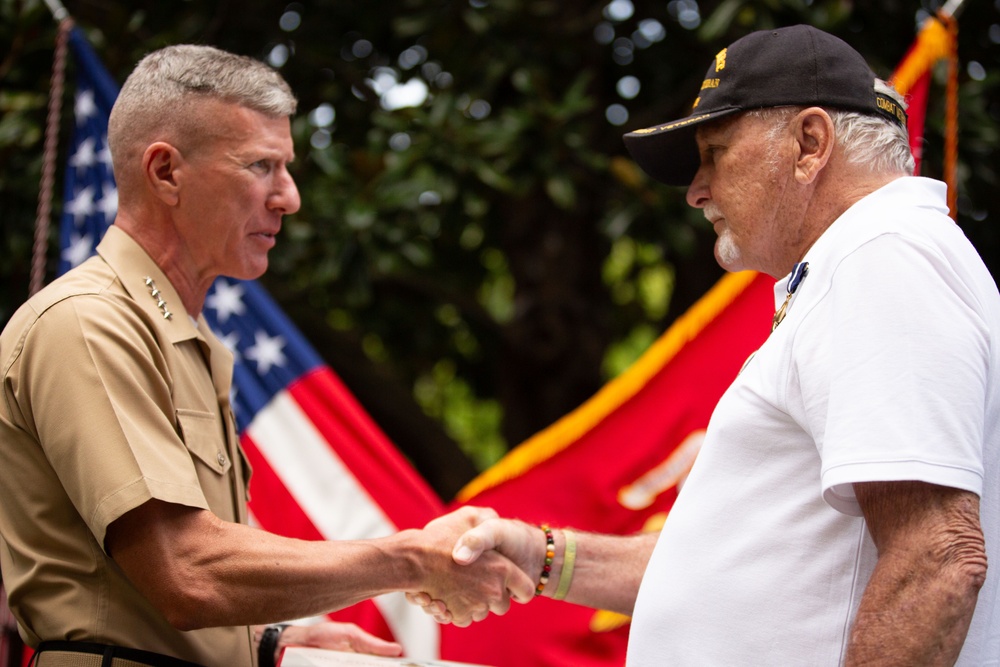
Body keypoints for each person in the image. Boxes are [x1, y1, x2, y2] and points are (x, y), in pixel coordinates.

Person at [411, 24, 1000, 665]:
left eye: (714, 152)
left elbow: (940, 554)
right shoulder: (864, 266)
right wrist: (540, 552)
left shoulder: (882, 259)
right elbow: (720, 568)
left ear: (810, 144)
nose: (695, 190)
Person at [0, 44, 534, 667]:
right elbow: (185, 572)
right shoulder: (90, 324)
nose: (289, 197)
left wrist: (269, 639)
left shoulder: (182, 339)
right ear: (166, 172)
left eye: (286, 168)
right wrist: (411, 559)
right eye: (261, 166)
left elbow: (139, 598)